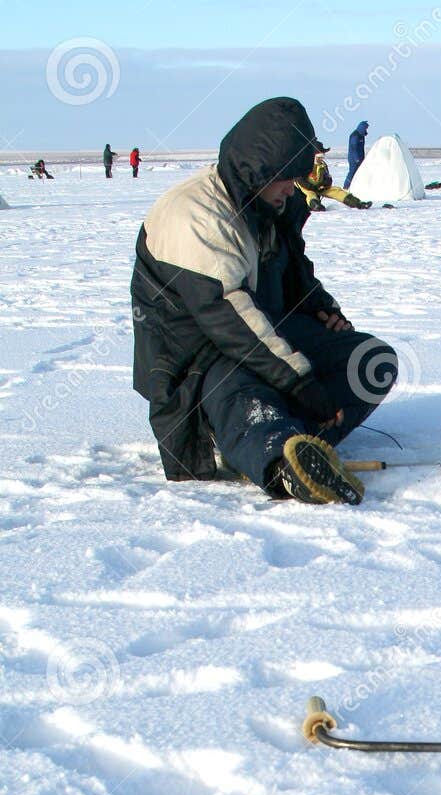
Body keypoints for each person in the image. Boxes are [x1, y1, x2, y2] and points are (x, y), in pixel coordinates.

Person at [131, 96, 397, 503]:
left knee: (372, 362)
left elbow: (291, 272)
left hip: (263, 335)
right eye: (285, 178)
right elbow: (231, 321)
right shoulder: (195, 218)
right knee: (239, 384)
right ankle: (280, 463)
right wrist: (302, 382)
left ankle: (301, 446)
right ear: (257, 172)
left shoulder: (271, 202)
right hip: (198, 362)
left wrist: (319, 308)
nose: (293, 187)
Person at [344, 120, 369, 189]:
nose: (366, 130)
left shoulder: (361, 136)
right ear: (362, 127)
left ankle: (357, 188)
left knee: (359, 174)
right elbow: (353, 147)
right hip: (354, 159)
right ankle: (346, 187)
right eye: (366, 128)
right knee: (352, 173)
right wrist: (356, 158)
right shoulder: (355, 135)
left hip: (360, 158)